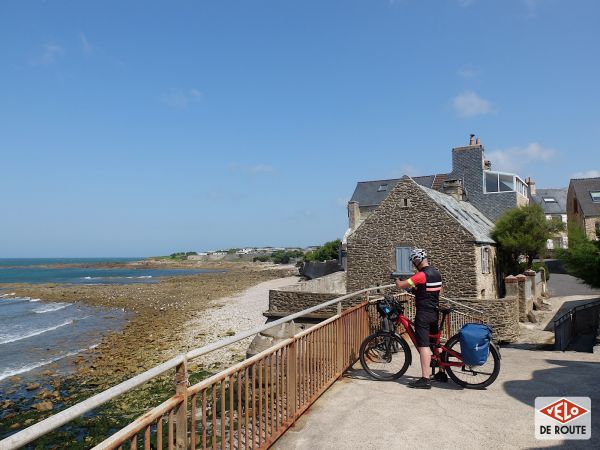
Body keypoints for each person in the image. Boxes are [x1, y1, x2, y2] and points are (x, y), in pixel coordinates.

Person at [395, 248, 442, 389]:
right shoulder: (436, 273)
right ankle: (442, 372)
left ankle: (425, 379)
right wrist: (416, 290)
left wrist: (397, 280)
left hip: (424, 314)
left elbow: (402, 285)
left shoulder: (421, 275)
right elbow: (435, 290)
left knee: (424, 346)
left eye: (414, 261)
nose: (414, 264)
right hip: (434, 312)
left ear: (417, 260)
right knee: (435, 344)